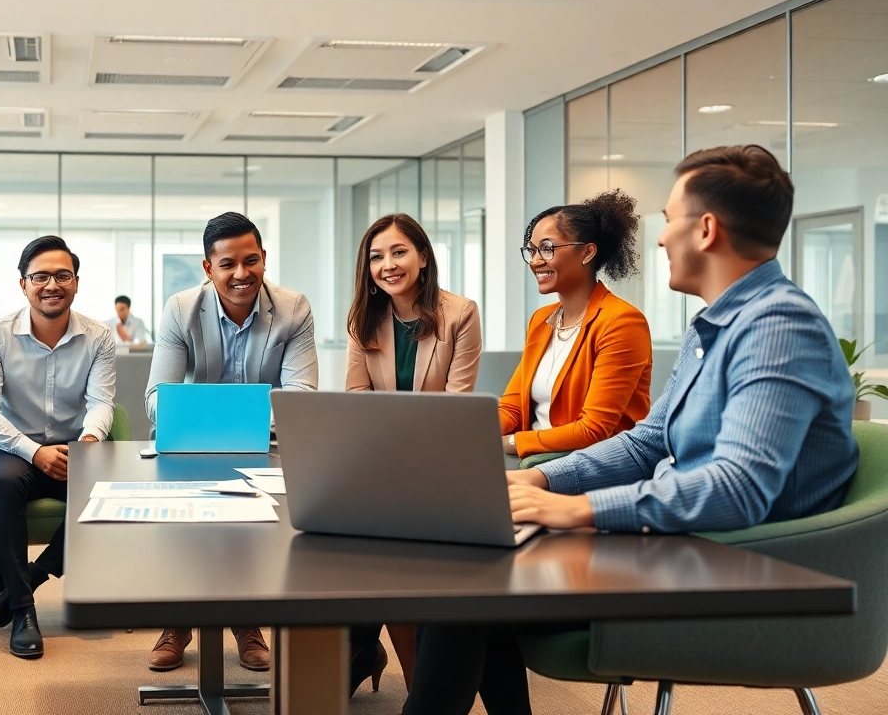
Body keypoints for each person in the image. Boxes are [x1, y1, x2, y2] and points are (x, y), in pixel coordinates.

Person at [404, 145, 860, 715]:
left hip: (737, 569)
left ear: (707, 229)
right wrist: (545, 482)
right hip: (678, 547)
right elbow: (649, 441)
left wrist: (583, 510)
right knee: (464, 571)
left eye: (669, 220)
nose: (662, 237)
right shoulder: (716, 324)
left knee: (462, 589)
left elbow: (739, 487)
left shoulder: (776, 325)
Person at [144, 211, 318, 673]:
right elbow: (156, 399)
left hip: (266, 446)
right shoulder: (181, 308)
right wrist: (210, 419)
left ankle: (246, 622)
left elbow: (301, 396)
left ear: (263, 259)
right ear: (208, 268)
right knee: (185, 522)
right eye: (228, 264)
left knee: (257, 525)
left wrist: (239, 420)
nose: (241, 274)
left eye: (251, 260)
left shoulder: (293, 308)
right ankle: (178, 622)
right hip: (189, 448)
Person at [344, 212, 482, 695]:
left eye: (399, 252)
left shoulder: (460, 313)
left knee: (388, 553)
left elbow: (455, 407)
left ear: (423, 257)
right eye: (376, 256)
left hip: (437, 465)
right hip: (380, 464)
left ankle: (400, 672)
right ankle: (399, 670)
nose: (387, 265)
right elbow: (356, 396)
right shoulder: (364, 317)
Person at [0, 235, 116, 660]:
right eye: (40, 276)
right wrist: (33, 451)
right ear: (23, 284)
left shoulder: (99, 338)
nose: (51, 284)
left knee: (107, 495)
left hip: (74, 446)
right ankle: (22, 611)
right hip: (12, 447)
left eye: (62, 275)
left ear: (75, 282)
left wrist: (89, 443)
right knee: (4, 482)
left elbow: (102, 402)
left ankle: (32, 577)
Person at [500, 190, 653, 460]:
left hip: (593, 464)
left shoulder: (621, 321)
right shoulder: (542, 320)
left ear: (587, 252)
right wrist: (470, 433)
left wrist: (509, 442)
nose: (536, 261)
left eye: (547, 248)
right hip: (537, 459)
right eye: (532, 250)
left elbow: (594, 429)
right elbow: (512, 408)